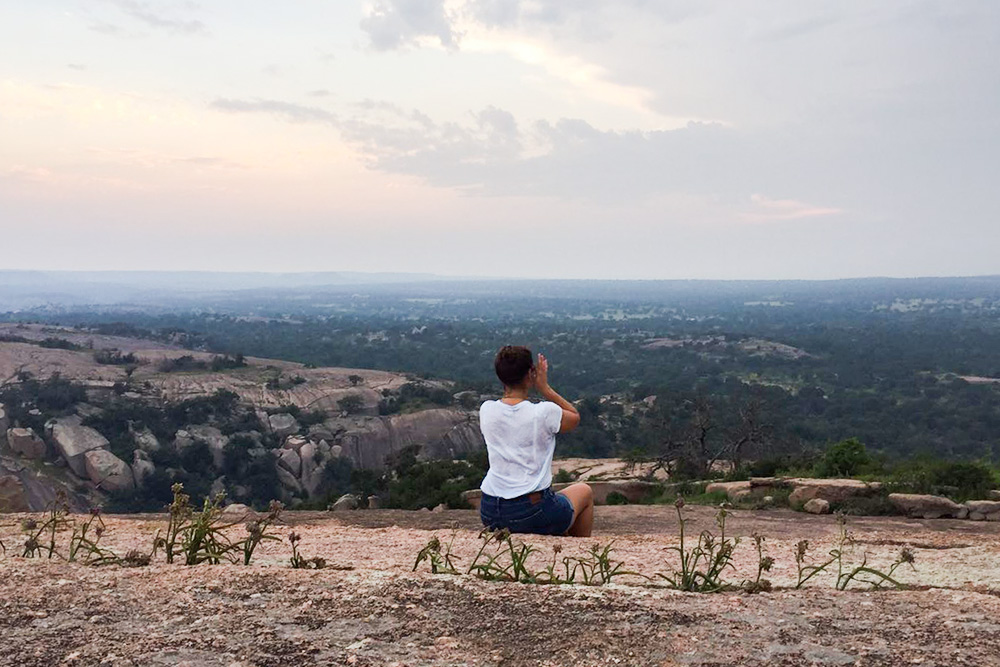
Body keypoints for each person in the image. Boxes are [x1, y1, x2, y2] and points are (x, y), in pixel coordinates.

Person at [477, 345, 594, 537]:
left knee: (553, 512)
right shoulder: (543, 412)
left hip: (490, 510)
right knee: (584, 491)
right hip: (531, 510)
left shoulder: (487, 410)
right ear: (531, 373)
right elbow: (574, 417)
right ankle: (578, 552)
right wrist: (545, 388)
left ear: (500, 376)